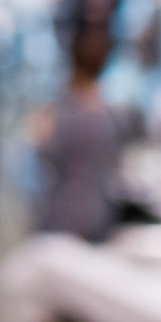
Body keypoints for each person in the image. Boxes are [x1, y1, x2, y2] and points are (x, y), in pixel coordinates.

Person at [37, 29, 124, 241]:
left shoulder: (64, 112)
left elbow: (47, 155)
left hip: (65, 210)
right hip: (98, 208)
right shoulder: (108, 113)